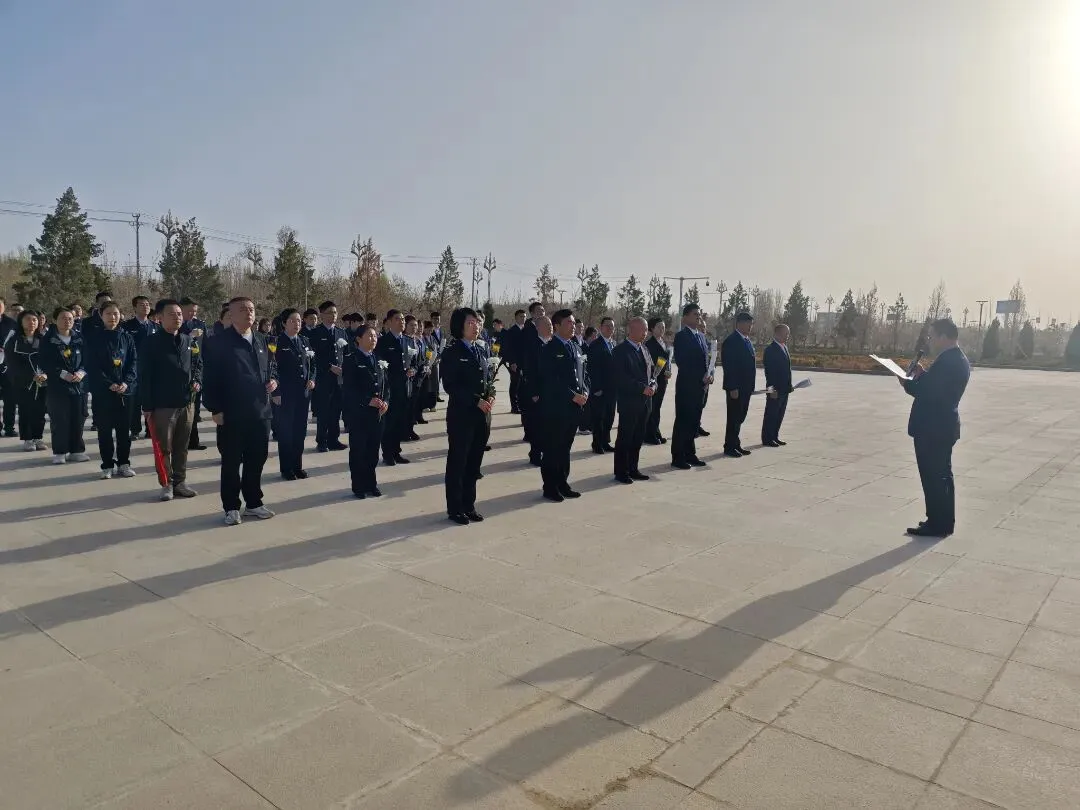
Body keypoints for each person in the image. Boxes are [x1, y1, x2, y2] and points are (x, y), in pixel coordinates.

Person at [202, 296, 278, 526]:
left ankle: (253, 502)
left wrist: (274, 380)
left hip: (260, 412)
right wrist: (215, 408)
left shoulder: (262, 340)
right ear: (231, 314)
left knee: (257, 459)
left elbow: (272, 367)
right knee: (232, 461)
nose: (249, 313)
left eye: (252, 309)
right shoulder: (219, 342)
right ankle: (231, 506)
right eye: (243, 310)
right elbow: (210, 378)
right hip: (232, 412)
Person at [901, 318, 970, 537]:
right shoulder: (956, 359)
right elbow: (936, 386)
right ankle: (942, 521)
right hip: (941, 426)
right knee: (942, 476)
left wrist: (907, 382)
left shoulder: (948, 361)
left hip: (933, 429)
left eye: (932, 336)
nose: (930, 341)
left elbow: (929, 393)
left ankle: (937, 524)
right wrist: (923, 375)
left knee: (933, 477)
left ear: (943, 337)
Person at [140, 299, 201, 500]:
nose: (177, 317)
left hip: (186, 401)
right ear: (159, 317)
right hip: (162, 404)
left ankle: (180, 482)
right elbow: (145, 375)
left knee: (182, 446)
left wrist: (197, 381)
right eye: (172, 314)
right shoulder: (151, 342)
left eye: (179, 314)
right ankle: (166, 483)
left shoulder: (187, 340)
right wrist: (147, 405)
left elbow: (198, 364)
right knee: (164, 447)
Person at [441, 307, 494, 524]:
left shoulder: (481, 351)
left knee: (474, 462)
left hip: (482, 415)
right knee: (458, 461)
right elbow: (451, 385)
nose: (476, 326)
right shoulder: (452, 352)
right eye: (471, 322)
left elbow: (488, 380)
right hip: (462, 416)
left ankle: (469, 504)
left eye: (478, 323)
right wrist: (475, 400)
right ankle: (455, 508)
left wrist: (490, 395)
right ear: (459, 325)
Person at [539, 309, 588, 502]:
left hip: (574, 406)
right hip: (556, 407)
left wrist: (586, 391)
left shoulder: (576, 347)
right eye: (568, 323)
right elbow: (550, 380)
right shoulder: (549, 349)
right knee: (553, 447)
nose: (573, 326)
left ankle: (562, 482)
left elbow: (585, 374)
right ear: (557, 326)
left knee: (565, 447)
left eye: (574, 322)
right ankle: (550, 486)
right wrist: (571, 395)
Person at [88, 301, 137, 478]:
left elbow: (133, 363)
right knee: (105, 431)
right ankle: (107, 465)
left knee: (124, 431)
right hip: (104, 392)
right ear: (101, 315)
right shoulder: (94, 338)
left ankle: (124, 463)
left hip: (124, 392)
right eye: (108, 314)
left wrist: (126, 382)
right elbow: (92, 366)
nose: (112, 317)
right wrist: (108, 383)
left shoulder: (127, 337)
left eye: (115, 313)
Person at [39, 307, 89, 464]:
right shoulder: (48, 340)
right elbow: (44, 361)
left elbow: (89, 359)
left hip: (79, 386)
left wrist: (82, 372)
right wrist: (61, 374)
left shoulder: (79, 338)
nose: (67, 321)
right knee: (60, 419)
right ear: (55, 320)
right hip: (58, 386)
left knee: (78, 418)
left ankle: (76, 450)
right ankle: (60, 451)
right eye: (63, 318)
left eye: (70, 318)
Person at [343, 325, 388, 498]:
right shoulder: (352, 359)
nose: (374, 339)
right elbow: (349, 389)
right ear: (358, 339)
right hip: (359, 414)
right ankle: (359, 486)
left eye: (375, 336)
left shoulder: (378, 359)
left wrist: (386, 402)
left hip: (377, 414)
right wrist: (366, 400)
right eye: (369, 336)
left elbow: (386, 386)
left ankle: (371, 483)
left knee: (372, 451)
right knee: (359, 451)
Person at [272, 308, 316, 480]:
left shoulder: (305, 341)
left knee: (299, 431)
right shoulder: (277, 342)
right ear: (284, 323)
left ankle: (297, 466)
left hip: (303, 394)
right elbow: (272, 368)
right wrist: (276, 391)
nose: (297, 324)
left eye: (299, 321)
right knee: (286, 432)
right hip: (285, 394)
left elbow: (313, 364)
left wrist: (312, 379)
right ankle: (286, 468)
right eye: (293, 320)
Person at [612, 317, 654, 484]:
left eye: (646, 330)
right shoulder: (620, 351)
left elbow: (651, 372)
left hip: (645, 401)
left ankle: (633, 468)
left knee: (638, 437)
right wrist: (640, 387)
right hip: (629, 402)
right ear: (632, 330)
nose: (645, 333)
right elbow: (620, 378)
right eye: (642, 330)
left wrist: (653, 384)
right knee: (625, 437)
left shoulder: (644, 349)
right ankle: (621, 471)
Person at [671, 304, 710, 469]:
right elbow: (682, 362)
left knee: (694, 421)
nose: (698, 317)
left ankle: (690, 453)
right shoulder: (681, 336)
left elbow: (706, 361)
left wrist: (709, 374)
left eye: (699, 314)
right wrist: (699, 375)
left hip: (700, 386)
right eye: (695, 314)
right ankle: (678, 457)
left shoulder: (700, 336)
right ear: (685, 317)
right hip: (687, 386)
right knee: (683, 421)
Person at [375, 309, 415, 465]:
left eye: (403, 319)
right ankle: (387, 454)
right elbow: (380, 366)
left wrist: (414, 370)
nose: (402, 322)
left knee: (400, 422)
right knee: (389, 423)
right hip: (390, 388)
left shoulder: (408, 341)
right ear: (389, 322)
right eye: (398, 319)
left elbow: (416, 362)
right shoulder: (383, 342)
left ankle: (397, 451)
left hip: (406, 388)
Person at [309, 301, 348, 452]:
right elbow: (314, 357)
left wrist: (344, 367)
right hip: (324, 378)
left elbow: (347, 353)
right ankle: (322, 441)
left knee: (336, 411)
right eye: (330, 312)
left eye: (335, 313)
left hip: (339, 379)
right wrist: (329, 367)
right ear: (322, 315)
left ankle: (334, 439)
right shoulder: (315, 333)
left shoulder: (341, 332)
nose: (333, 315)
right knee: (324, 411)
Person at [8, 311, 48, 451]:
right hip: (23, 382)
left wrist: (45, 374)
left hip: (42, 381)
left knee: (40, 410)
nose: (32, 322)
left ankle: (38, 437)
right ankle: (27, 438)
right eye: (28, 320)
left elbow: (51, 360)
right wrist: (30, 375)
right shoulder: (14, 340)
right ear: (21, 322)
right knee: (25, 410)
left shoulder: (44, 339)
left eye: (34, 320)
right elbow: (12, 363)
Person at [721, 311, 757, 458]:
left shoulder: (746, 340)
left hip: (746, 387)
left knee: (740, 417)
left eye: (751, 324)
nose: (750, 327)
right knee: (734, 418)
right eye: (748, 324)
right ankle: (729, 446)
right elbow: (729, 366)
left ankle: (736, 443)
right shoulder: (732, 341)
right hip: (736, 388)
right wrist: (732, 387)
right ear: (739, 323)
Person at [121, 295, 158, 439]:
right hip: (133, 369)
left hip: (152, 369)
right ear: (135, 307)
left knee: (151, 399)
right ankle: (135, 429)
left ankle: (151, 430)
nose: (146, 307)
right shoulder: (127, 326)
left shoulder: (155, 327)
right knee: (133, 401)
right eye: (142, 304)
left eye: (147, 304)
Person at [521, 315, 552, 466]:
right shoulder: (532, 345)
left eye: (551, 324)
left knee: (549, 426)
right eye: (547, 325)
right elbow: (529, 371)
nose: (550, 327)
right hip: (538, 393)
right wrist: (533, 392)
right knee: (537, 425)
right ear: (538, 328)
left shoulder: (554, 344)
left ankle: (547, 451)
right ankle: (535, 453)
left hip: (552, 393)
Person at [586, 317, 617, 454]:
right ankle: (597, 443)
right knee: (599, 417)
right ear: (601, 327)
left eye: (612, 326)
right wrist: (596, 388)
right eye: (607, 326)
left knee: (609, 416)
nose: (610, 328)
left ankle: (605, 441)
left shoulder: (613, 344)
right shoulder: (595, 345)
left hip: (612, 388)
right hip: (600, 389)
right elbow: (592, 369)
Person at [761, 323, 793, 447]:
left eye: (788, 334)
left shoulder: (784, 347)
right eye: (786, 334)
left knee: (779, 414)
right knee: (771, 414)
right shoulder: (770, 350)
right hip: (774, 389)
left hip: (784, 389)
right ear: (778, 333)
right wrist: (771, 389)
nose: (787, 336)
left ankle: (775, 436)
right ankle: (767, 438)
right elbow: (769, 372)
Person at [644, 318, 671, 444]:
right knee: (652, 407)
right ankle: (649, 434)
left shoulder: (664, 343)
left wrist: (668, 371)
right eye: (659, 327)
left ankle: (656, 432)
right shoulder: (649, 344)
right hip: (653, 380)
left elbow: (666, 360)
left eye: (663, 327)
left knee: (657, 407)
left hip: (663, 379)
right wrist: (658, 371)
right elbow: (651, 363)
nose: (662, 329)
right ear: (652, 329)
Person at [0, 296, 18, 437]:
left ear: (4, 307)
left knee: (10, 399)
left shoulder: (11, 323)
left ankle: (9, 426)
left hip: (8, 366)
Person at [504, 309, 527, 414]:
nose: (523, 318)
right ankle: (514, 406)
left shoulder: (526, 330)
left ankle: (521, 404)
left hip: (524, 362)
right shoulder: (512, 331)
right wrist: (512, 362)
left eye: (524, 316)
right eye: (521, 316)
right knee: (515, 384)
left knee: (522, 384)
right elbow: (509, 348)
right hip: (515, 363)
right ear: (516, 318)